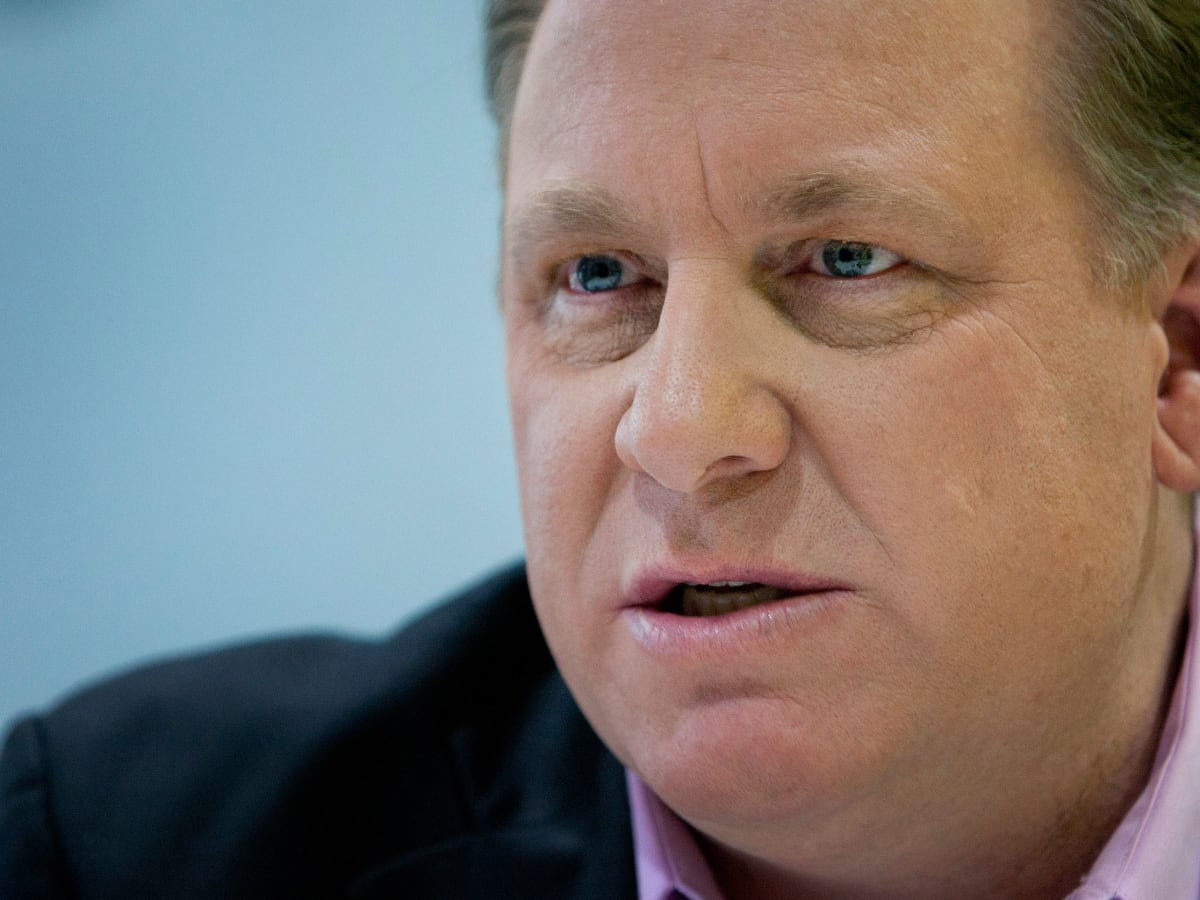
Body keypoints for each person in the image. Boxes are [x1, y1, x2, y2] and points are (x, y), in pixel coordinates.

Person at [4, 0, 1200, 897]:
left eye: (848, 260)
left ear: (1180, 359)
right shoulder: (118, 852)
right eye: (595, 277)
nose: (676, 431)